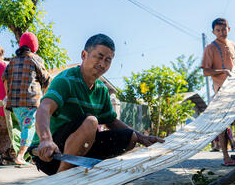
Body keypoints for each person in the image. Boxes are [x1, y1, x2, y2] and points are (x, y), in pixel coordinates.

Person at [33, 33, 165, 175]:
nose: (103, 64)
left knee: (130, 137)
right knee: (91, 122)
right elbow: (44, 108)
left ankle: (80, 171)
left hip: (79, 152)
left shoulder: (102, 90)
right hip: (51, 154)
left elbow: (112, 121)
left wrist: (142, 138)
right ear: (84, 55)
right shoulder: (66, 81)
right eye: (99, 57)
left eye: (108, 60)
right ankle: (62, 177)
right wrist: (46, 140)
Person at [201, 18, 235, 166]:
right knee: (222, 125)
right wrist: (222, 71)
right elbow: (206, 71)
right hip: (222, 90)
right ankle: (226, 157)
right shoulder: (210, 48)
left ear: (229, 29)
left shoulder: (232, 44)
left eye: (224, 29)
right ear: (213, 32)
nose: (222, 32)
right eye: (218, 30)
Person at [2, 32, 50, 165]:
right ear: (34, 46)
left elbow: (4, 78)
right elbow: (46, 79)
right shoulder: (36, 59)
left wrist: (8, 94)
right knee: (29, 128)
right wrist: (45, 95)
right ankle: (21, 156)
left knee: (28, 127)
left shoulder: (12, 61)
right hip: (31, 101)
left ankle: (34, 157)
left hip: (14, 103)